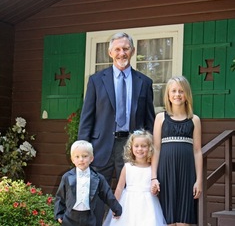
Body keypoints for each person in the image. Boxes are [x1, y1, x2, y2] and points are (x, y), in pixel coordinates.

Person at [78, 32, 155, 225]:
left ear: (133, 51)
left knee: (130, 196)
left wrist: (151, 154)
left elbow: (149, 122)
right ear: (110, 52)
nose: (122, 53)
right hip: (100, 146)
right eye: (118, 49)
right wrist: (82, 148)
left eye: (126, 49)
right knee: (95, 196)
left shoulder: (144, 82)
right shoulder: (96, 80)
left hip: (131, 149)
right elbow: (87, 117)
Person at [151, 76, 203, 226]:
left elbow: (197, 151)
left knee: (184, 218)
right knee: (166, 218)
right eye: (173, 91)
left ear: (187, 95)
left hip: (187, 172)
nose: (177, 94)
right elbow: (156, 148)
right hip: (165, 171)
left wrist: (198, 180)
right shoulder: (160, 118)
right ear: (168, 95)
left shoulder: (194, 120)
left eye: (181, 91)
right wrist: (154, 177)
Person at [102, 129, 166, 226]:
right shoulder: (127, 167)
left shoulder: (152, 169)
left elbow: (156, 189)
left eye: (144, 146)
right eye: (136, 146)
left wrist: (155, 190)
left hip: (148, 205)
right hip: (129, 204)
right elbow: (119, 188)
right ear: (131, 148)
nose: (139, 149)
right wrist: (114, 206)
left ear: (150, 148)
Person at [54, 140, 122, 226]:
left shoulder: (98, 178)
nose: (81, 159)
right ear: (72, 159)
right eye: (77, 156)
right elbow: (60, 196)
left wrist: (117, 209)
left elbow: (107, 194)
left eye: (85, 156)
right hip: (70, 218)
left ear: (91, 158)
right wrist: (59, 214)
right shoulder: (67, 177)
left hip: (89, 217)